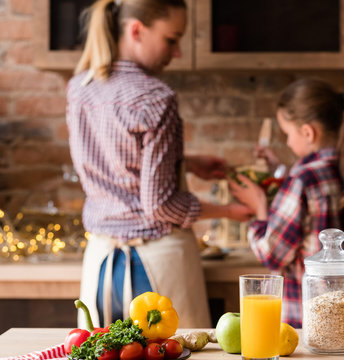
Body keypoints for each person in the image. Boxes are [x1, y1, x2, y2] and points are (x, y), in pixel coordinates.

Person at [66, 0, 252, 328]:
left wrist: (185, 163)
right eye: (171, 39)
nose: (177, 51)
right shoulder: (155, 97)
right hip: (156, 266)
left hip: (99, 263)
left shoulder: (81, 88)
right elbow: (160, 206)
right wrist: (229, 211)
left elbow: (118, 161)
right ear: (136, 30)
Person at [229, 78, 344, 328]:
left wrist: (259, 209)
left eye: (287, 133)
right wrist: (281, 170)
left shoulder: (302, 179)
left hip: (305, 323)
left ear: (308, 132)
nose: (287, 142)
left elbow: (272, 254)